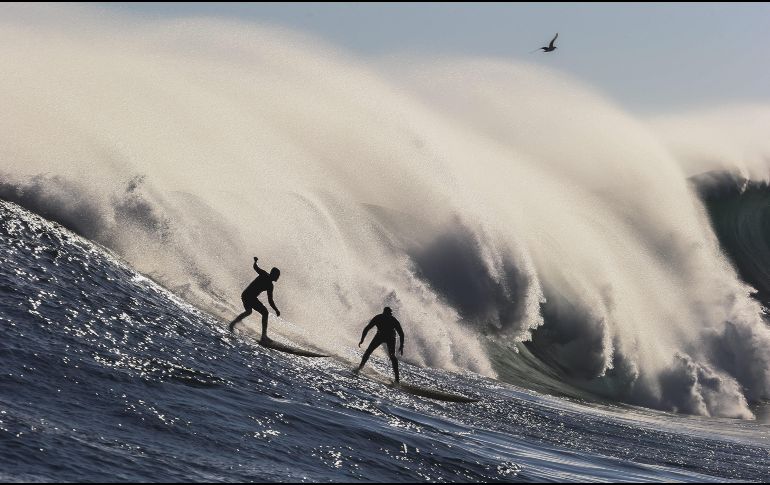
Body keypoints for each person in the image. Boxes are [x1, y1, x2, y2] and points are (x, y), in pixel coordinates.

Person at [229, 257, 280, 343]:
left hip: (251, 297)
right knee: (263, 312)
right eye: (277, 275)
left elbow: (270, 300)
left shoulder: (270, 286)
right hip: (247, 295)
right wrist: (255, 261)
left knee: (249, 311)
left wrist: (276, 309)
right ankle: (263, 337)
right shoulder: (264, 274)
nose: (278, 278)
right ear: (273, 274)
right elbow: (255, 267)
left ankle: (233, 323)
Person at [356, 307, 405, 383]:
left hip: (390, 337)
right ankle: (360, 367)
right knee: (368, 351)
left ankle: (397, 379)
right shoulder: (378, 317)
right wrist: (362, 339)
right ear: (384, 313)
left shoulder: (393, 320)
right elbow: (367, 328)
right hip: (380, 336)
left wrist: (401, 346)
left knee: (392, 356)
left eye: (389, 314)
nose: (388, 316)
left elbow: (401, 333)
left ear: (390, 314)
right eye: (387, 314)